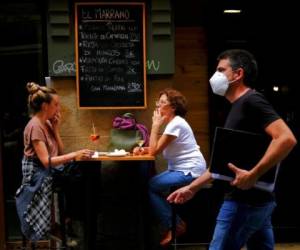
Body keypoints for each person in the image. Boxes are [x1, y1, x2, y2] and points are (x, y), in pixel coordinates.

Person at [167, 49, 297, 250]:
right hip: (257, 201)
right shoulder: (236, 107)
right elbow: (220, 166)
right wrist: (192, 188)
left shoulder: (252, 101)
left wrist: (254, 174)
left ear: (238, 74)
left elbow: (286, 138)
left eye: (221, 70)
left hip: (243, 203)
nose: (215, 76)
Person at [15, 82, 93, 242]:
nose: (58, 109)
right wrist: (75, 154)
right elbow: (46, 161)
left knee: (86, 169)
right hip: (37, 174)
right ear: (45, 106)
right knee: (76, 176)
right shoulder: (35, 126)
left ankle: (73, 218)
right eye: (56, 104)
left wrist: (56, 129)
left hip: (50, 169)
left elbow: (60, 152)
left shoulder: (48, 123)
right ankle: (65, 221)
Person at [133, 88, 207, 246]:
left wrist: (154, 126)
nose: (158, 106)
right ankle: (174, 223)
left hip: (190, 170)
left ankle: (175, 225)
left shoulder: (176, 124)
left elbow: (154, 150)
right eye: (158, 102)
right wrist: (142, 149)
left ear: (173, 107)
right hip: (179, 168)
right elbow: (156, 148)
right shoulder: (173, 124)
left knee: (151, 185)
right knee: (152, 185)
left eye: (162, 103)